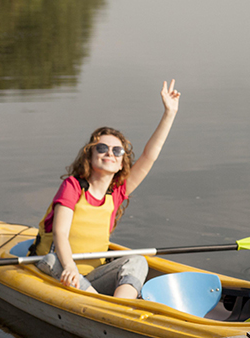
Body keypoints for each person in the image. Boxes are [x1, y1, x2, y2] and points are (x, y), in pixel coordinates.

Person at [31, 80, 181, 299]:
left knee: (137, 260)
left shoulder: (118, 192)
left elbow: (150, 155)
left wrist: (170, 113)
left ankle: (121, 306)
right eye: (102, 148)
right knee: (52, 260)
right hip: (59, 268)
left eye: (117, 151)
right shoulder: (72, 186)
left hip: (91, 277)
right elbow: (60, 233)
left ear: (122, 163)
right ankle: (104, 306)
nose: (110, 153)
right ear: (90, 156)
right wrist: (70, 267)